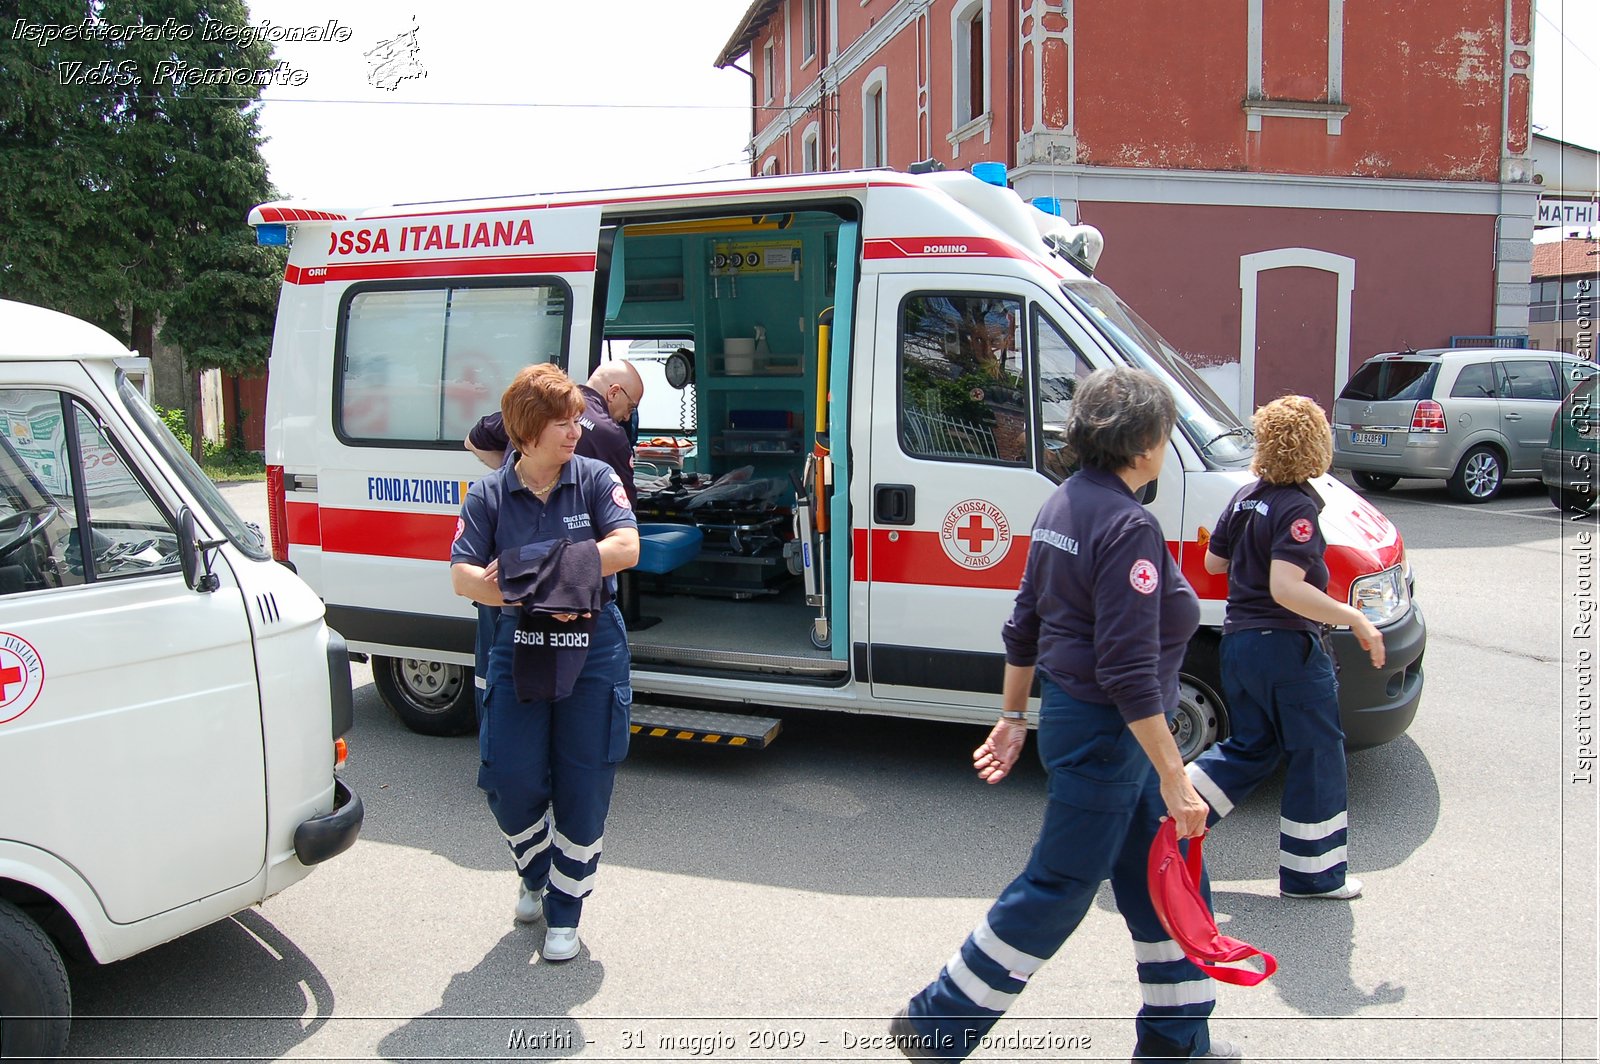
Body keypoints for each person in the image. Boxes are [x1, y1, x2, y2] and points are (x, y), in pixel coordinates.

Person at [893, 368, 1241, 1063]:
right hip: (1116, 738)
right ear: (1144, 444)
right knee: (1058, 886)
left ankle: (1178, 1042)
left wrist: (1014, 717)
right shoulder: (1126, 526)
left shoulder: (1064, 505)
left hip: (1103, 733)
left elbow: (1024, 625)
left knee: (1167, 882)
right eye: (1166, 434)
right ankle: (938, 1021)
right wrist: (1176, 776)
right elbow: (1126, 671)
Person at [450, 364, 640, 962]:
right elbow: (463, 578)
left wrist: (529, 571)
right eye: (563, 423)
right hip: (518, 643)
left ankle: (566, 910)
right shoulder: (487, 494)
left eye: (577, 420)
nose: (577, 431)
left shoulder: (594, 478)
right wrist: (542, 584)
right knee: (510, 777)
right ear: (527, 433)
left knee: (585, 778)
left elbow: (625, 548)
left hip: (594, 644)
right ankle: (535, 872)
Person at [1184, 395, 1384, 901]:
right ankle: (1312, 876)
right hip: (1285, 647)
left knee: (1252, 747)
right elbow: (1287, 589)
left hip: (1240, 644)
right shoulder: (1298, 507)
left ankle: (1161, 817)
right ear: (1316, 444)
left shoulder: (1247, 496)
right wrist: (1355, 617)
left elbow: (1212, 563)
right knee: (1316, 753)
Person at [465, 360, 644, 507]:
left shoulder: (535, 410)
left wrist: (517, 477)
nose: (574, 434)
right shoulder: (611, 436)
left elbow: (474, 439)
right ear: (613, 393)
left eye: (575, 422)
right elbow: (626, 509)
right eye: (630, 407)